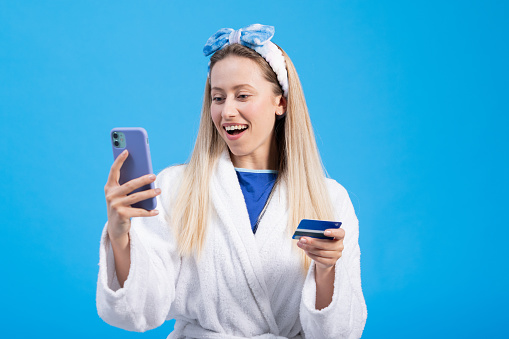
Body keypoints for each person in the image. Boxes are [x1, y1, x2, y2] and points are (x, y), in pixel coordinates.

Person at [97, 24, 367, 339]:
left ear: (280, 102)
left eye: (242, 95)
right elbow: (137, 312)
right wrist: (119, 237)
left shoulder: (328, 199)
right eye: (218, 97)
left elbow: (339, 334)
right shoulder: (175, 187)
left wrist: (327, 270)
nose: (227, 111)